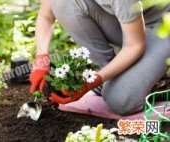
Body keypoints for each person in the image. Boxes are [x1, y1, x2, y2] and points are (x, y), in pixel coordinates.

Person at [29, 0, 170, 115]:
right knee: (62, 3)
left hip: (163, 26)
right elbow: (46, 16)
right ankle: (112, 76)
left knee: (121, 101)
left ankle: (151, 81)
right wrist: (41, 59)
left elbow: (135, 46)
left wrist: (92, 82)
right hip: (131, 23)